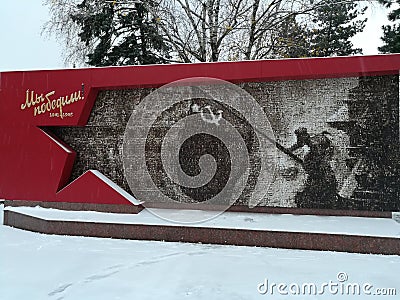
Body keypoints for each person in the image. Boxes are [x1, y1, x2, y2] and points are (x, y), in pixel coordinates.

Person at [288, 127, 338, 209]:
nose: (298, 140)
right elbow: (299, 144)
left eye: (299, 137)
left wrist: (313, 164)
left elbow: (324, 156)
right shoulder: (308, 140)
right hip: (319, 169)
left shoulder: (315, 144)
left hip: (324, 171)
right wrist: (289, 150)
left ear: (304, 136)